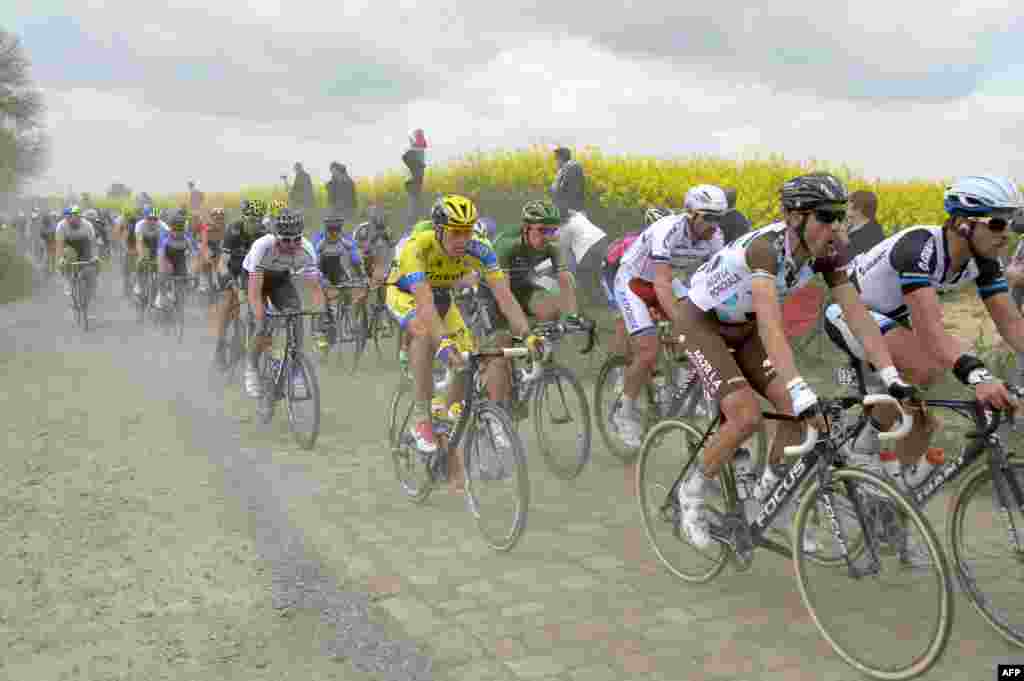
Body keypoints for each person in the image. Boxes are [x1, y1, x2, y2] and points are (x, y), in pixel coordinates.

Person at [674, 173, 916, 550]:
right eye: (825, 216)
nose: (835, 227)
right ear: (793, 217)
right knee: (746, 416)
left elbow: (858, 316)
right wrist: (801, 388)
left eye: (839, 216)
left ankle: (769, 501)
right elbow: (772, 327)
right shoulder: (765, 250)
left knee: (792, 413)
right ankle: (690, 496)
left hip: (746, 326)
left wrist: (891, 375)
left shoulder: (828, 253)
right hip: (702, 323)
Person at [827, 175, 1022, 516]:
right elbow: (931, 333)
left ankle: (891, 502)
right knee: (925, 365)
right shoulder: (921, 248)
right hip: (850, 311)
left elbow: (1011, 324)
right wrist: (978, 378)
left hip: (890, 320)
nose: (1006, 233)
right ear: (962, 224)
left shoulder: (984, 260)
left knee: (923, 423)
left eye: (1010, 223)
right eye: (996, 223)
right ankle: (862, 448)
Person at [386, 194, 540, 461]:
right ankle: (422, 418)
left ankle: (447, 414)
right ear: (438, 229)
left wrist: (527, 335)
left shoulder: (479, 248)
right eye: (455, 232)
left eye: (467, 232)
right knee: (425, 333)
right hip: (404, 293)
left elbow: (504, 297)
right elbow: (424, 304)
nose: (463, 240)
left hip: (442, 295)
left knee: (466, 355)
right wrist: (443, 344)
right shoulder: (417, 248)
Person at [610, 186, 728, 448]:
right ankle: (624, 411)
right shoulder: (668, 229)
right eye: (708, 217)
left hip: (667, 281)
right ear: (690, 214)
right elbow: (661, 284)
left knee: (702, 331)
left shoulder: (715, 238)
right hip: (634, 282)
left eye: (719, 218)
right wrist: (682, 320)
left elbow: (714, 283)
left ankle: (680, 390)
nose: (714, 225)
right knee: (648, 350)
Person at [241, 208, 326, 398]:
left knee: (296, 316)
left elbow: (315, 289)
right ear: (275, 236)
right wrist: (260, 314)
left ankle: (296, 373)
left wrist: (320, 314)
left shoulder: (307, 249)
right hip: (256, 279)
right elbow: (255, 292)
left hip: (280, 280)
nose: (292, 244)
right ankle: (251, 368)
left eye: (297, 239)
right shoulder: (262, 247)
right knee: (262, 323)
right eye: (286, 240)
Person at [211, 199, 269, 370]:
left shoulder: (264, 234)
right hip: (231, 269)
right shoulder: (234, 230)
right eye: (251, 220)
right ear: (244, 218)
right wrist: (230, 281)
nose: (255, 225)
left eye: (259, 221)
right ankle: (220, 344)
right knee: (228, 300)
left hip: (249, 272)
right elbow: (222, 263)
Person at [311, 215, 367, 350]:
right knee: (323, 296)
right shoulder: (320, 241)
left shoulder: (343, 240)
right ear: (326, 230)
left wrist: (362, 275)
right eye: (331, 230)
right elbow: (314, 263)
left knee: (348, 287)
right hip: (322, 271)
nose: (334, 234)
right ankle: (323, 322)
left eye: (337, 230)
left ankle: (347, 313)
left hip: (337, 271)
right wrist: (320, 280)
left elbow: (355, 258)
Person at [154, 209, 198, 310]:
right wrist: (161, 273)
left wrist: (193, 272)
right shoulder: (164, 236)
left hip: (179, 259)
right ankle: (162, 295)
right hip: (166, 258)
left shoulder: (187, 236)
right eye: (175, 229)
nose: (178, 232)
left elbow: (195, 256)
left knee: (182, 279)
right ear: (171, 228)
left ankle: (179, 302)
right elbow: (160, 256)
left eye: (180, 229)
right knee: (164, 274)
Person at [54, 206, 99, 299]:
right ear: (68, 218)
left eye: (76, 218)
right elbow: (59, 245)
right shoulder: (61, 226)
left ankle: (91, 285)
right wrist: (61, 258)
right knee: (65, 262)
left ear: (80, 218)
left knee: (92, 264)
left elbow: (93, 243)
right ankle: (68, 282)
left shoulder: (88, 225)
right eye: (71, 218)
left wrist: (94, 256)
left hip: (84, 245)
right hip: (69, 246)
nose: (73, 221)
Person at [842, 189, 886, 257]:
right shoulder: (850, 226)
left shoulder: (875, 234)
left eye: (851, 208)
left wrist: (845, 241)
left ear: (861, 210)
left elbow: (864, 262)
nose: (847, 213)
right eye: (847, 207)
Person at [402, 129, 428, 229]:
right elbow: (406, 157)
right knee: (414, 205)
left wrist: (420, 165)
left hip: (415, 182)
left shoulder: (417, 150)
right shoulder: (411, 153)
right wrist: (419, 165)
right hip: (413, 183)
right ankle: (412, 225)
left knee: (415, 205)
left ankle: (414, 224)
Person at [550, 146, 585, 217]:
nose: (555, 161)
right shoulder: (567, 167)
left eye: (556, 159)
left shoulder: (569, 167)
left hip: (569, 211)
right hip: (570, 210)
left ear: (561, 158)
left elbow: (561, 189)